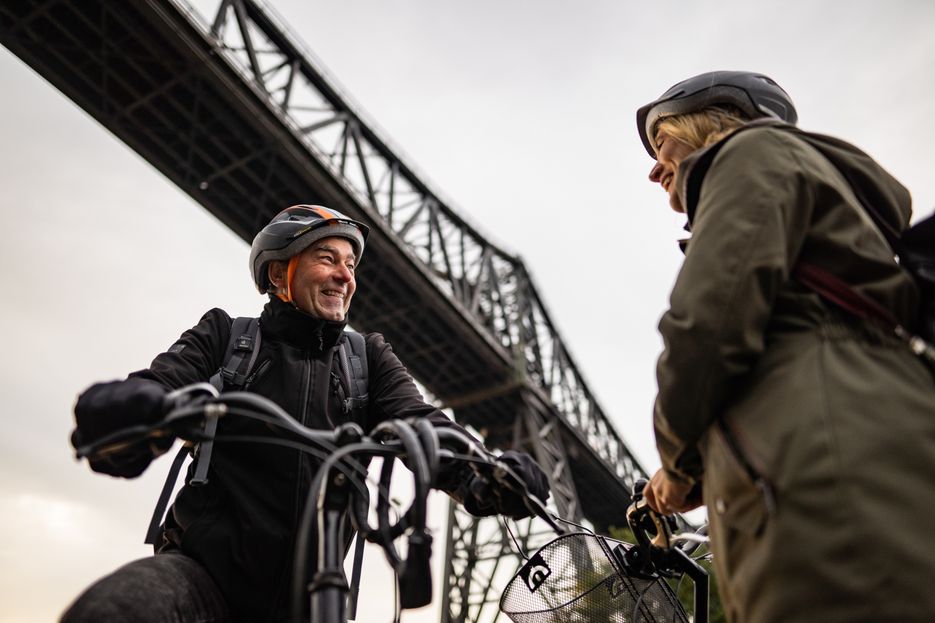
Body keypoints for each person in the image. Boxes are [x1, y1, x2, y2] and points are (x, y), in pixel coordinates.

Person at [64, 205, 550, 622]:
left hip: (316, 600)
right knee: (118, 607)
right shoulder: (225, 337)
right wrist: (127, 415)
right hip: (205, 581)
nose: (346, 275)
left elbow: (422, 421)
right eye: (327, 258)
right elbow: (158, 386)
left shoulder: (369, 359)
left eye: (351, 263)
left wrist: (480, 471)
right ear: (279, 274)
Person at [636, 71, 935, 622]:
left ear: (711, 124)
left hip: (821, 471)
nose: (654, 168)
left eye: (663, 141)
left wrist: (676, 464)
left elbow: (706, 325)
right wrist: (697, 471)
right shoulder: (802, 188)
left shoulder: (749, 152)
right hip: (843, 443)